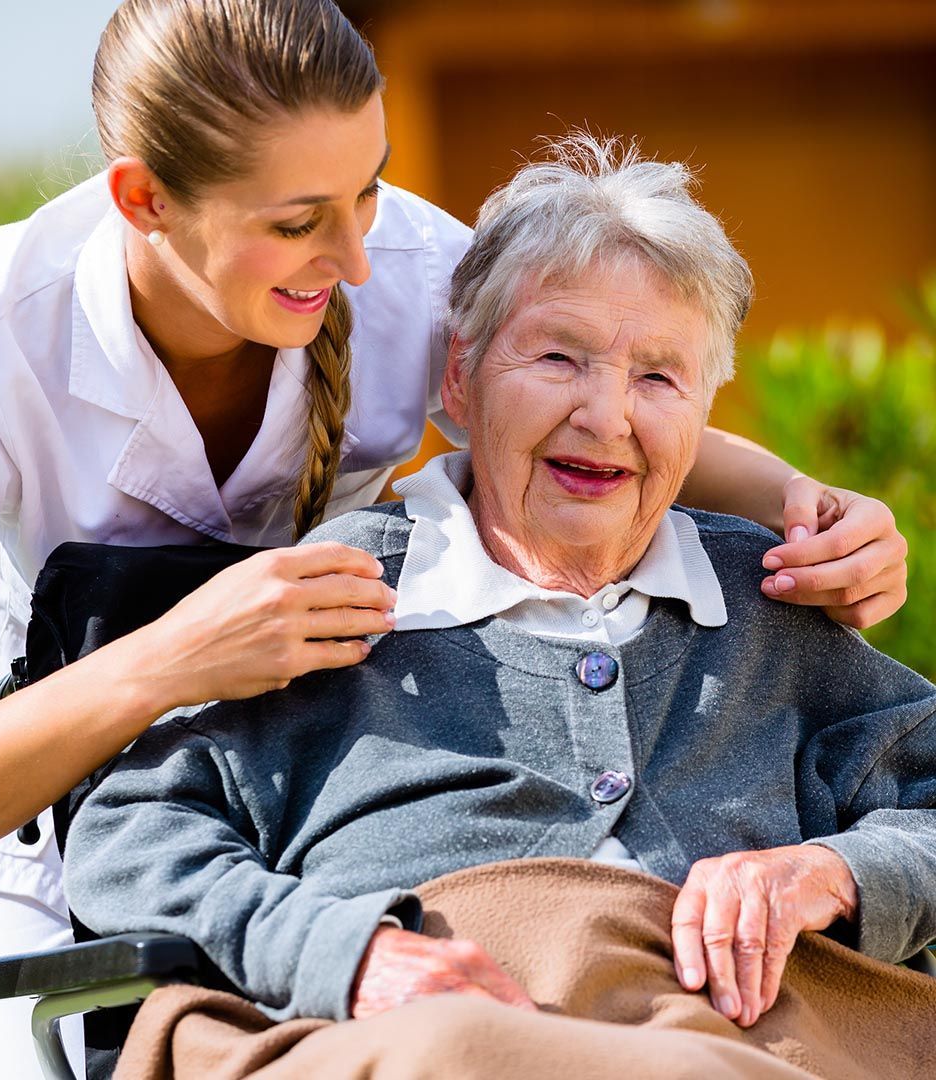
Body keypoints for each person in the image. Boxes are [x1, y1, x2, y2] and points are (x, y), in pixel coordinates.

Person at [0, 0, 908, 1076]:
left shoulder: (406, 265)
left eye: (370, 188)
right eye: (300, 220)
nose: (360, 258)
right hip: (23, 772)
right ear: (145, 200)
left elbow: (609, 399)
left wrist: (810, 506)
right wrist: (171, 660)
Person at [65, 134, 936, 1080]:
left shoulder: (767, 604)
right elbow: (131, 833)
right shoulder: (335, 596)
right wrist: (341, 954)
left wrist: (833, 871)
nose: (606, 416)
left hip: (746, 1045)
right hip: (430, 1049)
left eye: (658, 377)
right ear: (459, 381)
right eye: (559, 357)